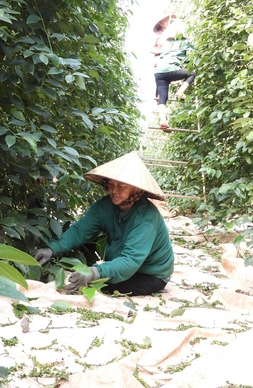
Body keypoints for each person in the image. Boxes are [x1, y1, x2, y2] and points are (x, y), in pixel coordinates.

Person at [32, 151, 174, 296]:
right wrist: (51, 249)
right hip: (125, 265)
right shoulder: (104, 207)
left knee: (100, 287)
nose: (114, 191)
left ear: (136, 189)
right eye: (111, 184)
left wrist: (94, 272)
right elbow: (80, 231)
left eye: (121, 186)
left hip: (151, 274)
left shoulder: (146, 219)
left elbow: (130, 260)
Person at [152, 16, 195, 130]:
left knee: (162, 98)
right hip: (172, 69)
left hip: (159, 72)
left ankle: (163, 120)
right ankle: (180, 92)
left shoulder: (166, 42)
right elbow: (194, 55)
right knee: (192, 73)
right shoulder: (185, 41)